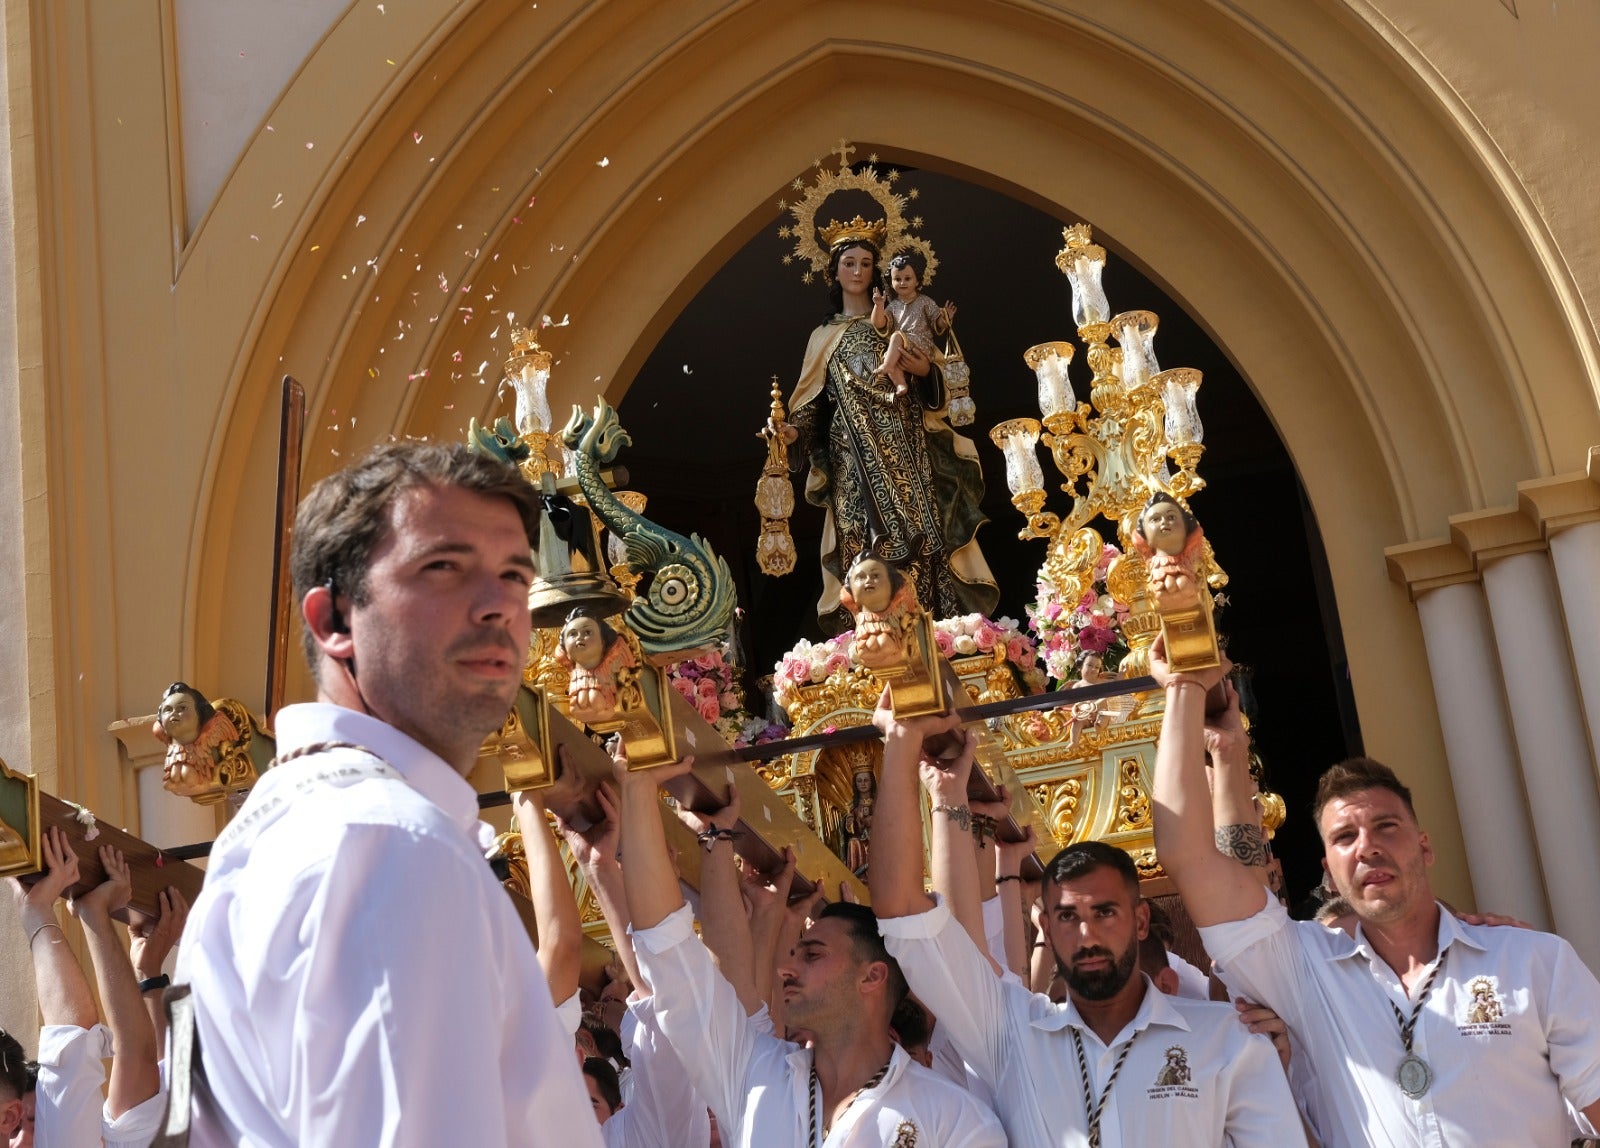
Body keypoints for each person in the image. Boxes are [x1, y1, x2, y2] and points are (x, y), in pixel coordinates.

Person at [174, 441, 603, 1147]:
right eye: (444, 568)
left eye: (514, 575)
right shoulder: (390, 842)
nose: (498, 604)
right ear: (334, 621)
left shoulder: (283, 833)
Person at [1149, 644, 1600, 1148]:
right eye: (1344, 838)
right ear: (1329, 871)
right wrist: (1184, 688)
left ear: (1424, 846)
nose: (1367, 848)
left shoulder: (1533, 962)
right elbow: (1186, 853)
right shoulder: (1302, 972)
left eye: (1386, 826)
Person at [869, 699, 1306, 1148]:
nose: (1086, 935)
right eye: (1067, 917)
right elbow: (903, 912)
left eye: (1104, 912)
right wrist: (903, 748)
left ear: (1139, 921)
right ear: (1048, 927)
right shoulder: (1010, 1033)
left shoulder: (1228, 1041)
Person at [613, 745, 1005, 1146]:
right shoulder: (752, 1074)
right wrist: (638, 789)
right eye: (797, 952)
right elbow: (670, 954)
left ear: (872, 976)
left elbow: (964, 938)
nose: (786, 968)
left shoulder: (955, 1118)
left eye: (813, 954)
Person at [768, 231, 997, 632]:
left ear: (878, 272)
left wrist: (925, 372)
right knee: (862, 537)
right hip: (851, 455)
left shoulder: (897, 318)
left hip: (907, 445)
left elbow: (938, 379)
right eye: (849, 263)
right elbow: (810, 408)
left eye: (866, 264)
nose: (858, 271)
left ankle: (930, 629)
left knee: (919, 533)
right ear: (834, 272)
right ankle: (874, 629)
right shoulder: (823, 337)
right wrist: (790, 433)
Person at [877, 253, 955, 397]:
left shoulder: (925, 301)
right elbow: (880, 323)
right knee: (888, 356)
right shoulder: (893, 306)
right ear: (891, 282)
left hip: (920, 343)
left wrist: (945, 319)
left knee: (895, 339)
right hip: (901, 347)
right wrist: (879, 305)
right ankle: (900, 384)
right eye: (897, 279)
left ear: (918, 282)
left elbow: (936, 320)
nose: (902, 283)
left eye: (907, 278)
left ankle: (888, 366)